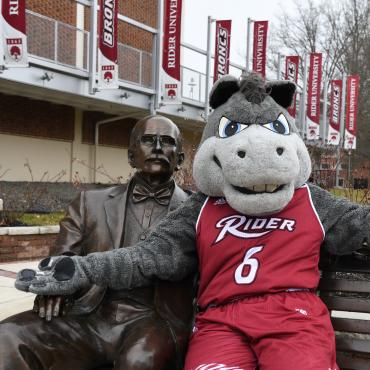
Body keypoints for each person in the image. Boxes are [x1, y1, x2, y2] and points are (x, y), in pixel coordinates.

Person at [0, 115, 195, 370]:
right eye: (148, 140)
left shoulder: (196, 212)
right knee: (7, 337)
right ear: (131, 156)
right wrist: (53, 289)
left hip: (155, 320)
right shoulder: (89, 203)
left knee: (140, 361)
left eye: (167, 142)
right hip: (91, 314)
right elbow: (62, 260)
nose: (158, 148)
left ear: (179, 159)